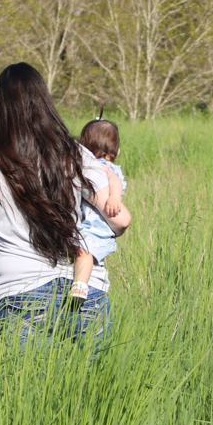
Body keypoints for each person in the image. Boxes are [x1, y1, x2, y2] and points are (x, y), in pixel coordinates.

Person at [0, 63, 129, 346]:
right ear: (44, 102)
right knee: (92, 388)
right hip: (85, 288)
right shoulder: (76, 153)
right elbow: (119, 220)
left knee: (28, 388)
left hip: (18, 291)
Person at [69, 118, 130, 303]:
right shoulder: (100, 166)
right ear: (117, 150)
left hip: (95, 223)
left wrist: (113, 198)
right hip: (97, 221)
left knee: (84, 250)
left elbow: (114, 181)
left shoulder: (101, 167)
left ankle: (80, 287)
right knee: (84, 251)